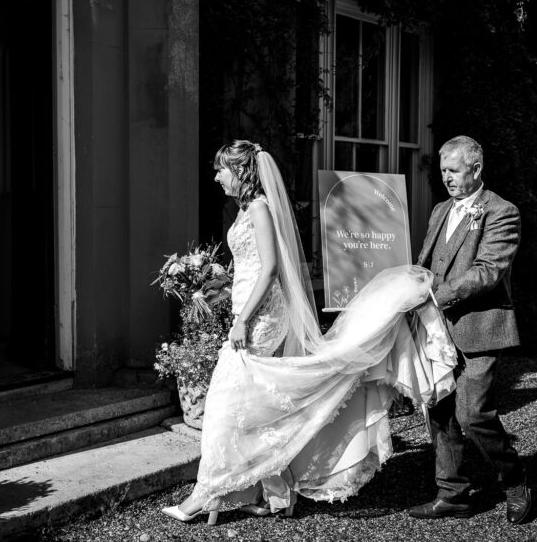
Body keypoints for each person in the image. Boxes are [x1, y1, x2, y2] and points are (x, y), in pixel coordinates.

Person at [161, 140, 457, 525]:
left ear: (241, 172)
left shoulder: (260, 209)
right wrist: (221, 286)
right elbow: (252, 266)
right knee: (251, 406)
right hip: (252, 311)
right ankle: (277, 494)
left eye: (222, 169)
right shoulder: (246, 210)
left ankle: (205, 495)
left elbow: (269, 270)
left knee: (224, 403)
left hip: (261, 319)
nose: (216, 176)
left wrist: (241, 320)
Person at [407, 135, 533, 524]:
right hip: (435, 329)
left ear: (476, 170)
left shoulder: (502, 211)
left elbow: (488, 271)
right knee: (440, 411)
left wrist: (436, 297)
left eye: (453, 170)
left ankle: (515, 478)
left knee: (472, 414)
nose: (445, 177)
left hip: (480, 328)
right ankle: (452, 494)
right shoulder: (441, 209)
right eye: (443, 170)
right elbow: (428, 261)